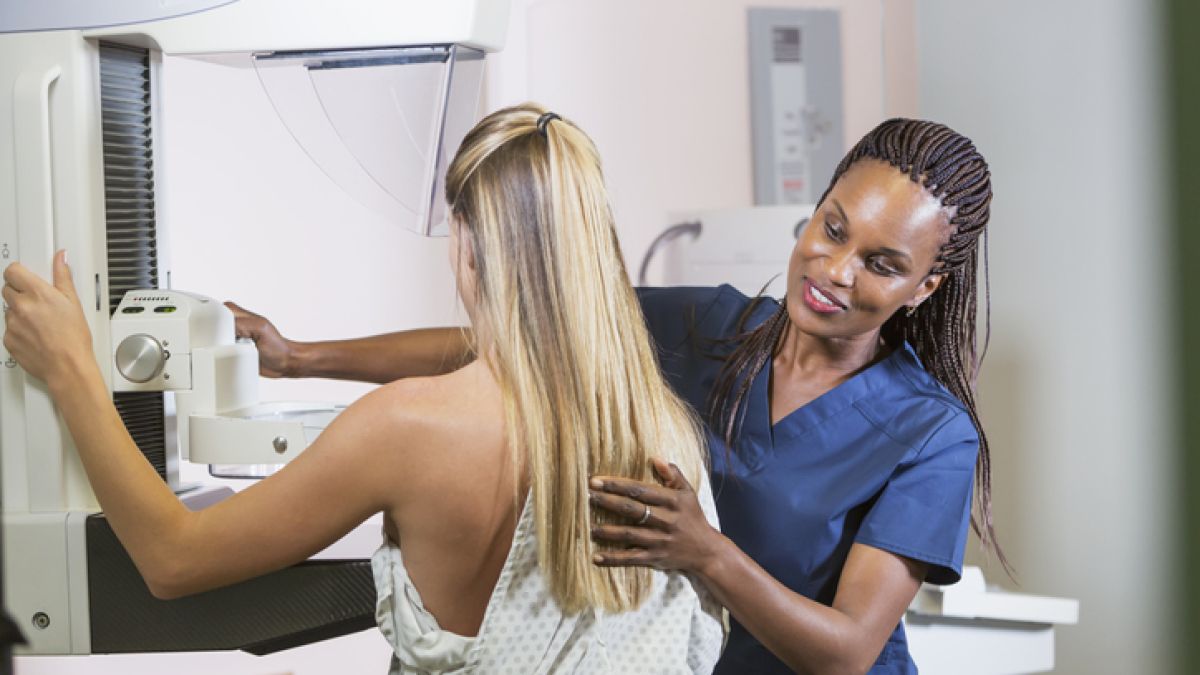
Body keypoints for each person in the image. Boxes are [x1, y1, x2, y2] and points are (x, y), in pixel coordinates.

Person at [227, 118, 998, 674]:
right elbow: (518, 337)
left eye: (881, 264)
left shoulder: (931, 431)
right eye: (832, 229)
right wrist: (299, 357)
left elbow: (849, 650)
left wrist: (706, 552)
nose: (835, 270)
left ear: (924, 286)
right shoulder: (711, 325)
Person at [1, 104, 724, 674]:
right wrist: (298, 357)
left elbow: (174, 559)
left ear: (466, 243)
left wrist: (72, 370)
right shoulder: (662, 432)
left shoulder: (408, 429)